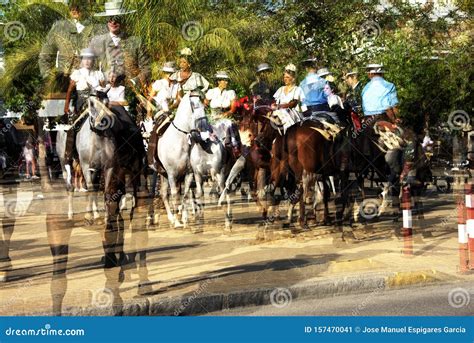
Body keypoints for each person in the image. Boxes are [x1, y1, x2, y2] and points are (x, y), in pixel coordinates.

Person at [39, 1, 100, 94]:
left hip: (90, 85)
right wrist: (49, 77)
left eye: (78, 5)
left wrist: (102, 80)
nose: (74, 9)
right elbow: (45, 56)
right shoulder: (59, 28)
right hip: (64, 84)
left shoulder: (97, 29)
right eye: (72, 5)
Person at [63, 48, 105, 168]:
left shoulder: (98, 73)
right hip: (81, 103)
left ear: (93, 61)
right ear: (82, 60)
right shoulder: (77, 73)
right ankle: (69, 153)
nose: (87, 61)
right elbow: (70, 91)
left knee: (111, 121)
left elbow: (103, 88)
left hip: (97, 102)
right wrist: (66, 105)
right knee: (75, 125)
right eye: (85, 59)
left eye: (90, 59)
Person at [169, 48, 211, 143]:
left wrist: (201, 98)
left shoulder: (196, 76)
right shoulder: (174, 76)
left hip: (193, 106)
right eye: (180, 62)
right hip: (176, 105)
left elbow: (202, 91)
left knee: (202, 121)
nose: (182, 65)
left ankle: (204, 139)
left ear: (189, 64)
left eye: (184, 62)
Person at [146, 61, 179, 169]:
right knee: (158, 129)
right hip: (161, 112)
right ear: (164, 73)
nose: (169, 75)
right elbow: (150, 99)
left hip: (173, 112)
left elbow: (179, 99)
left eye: (171, 73)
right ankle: (153, 157)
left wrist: (173, 106)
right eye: (167, 73)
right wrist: (149, 112)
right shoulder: (158, 83)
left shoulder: (177, 85)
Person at [204, 70, 241, 156]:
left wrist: (223, 115)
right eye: (224, 80)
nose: (226, 82)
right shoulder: (211, 92)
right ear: (218, 81)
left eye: (227, 80)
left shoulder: (230, 93)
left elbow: (232, 109)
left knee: (229, 124)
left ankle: (234, 146)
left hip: (225, 116)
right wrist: (208, 114)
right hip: (212, 116)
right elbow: (204, 104)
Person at [272, 64, 305, 132]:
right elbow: (275, 102)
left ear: (293, 78)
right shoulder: (281, 89)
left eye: (287, 77)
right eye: (284, 77)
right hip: (279, 111)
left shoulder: (297, 89)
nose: (285, 79)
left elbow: (293, 104)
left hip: (292, 112)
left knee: (284, 115)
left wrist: (279, 106)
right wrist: (273, 105)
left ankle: (286, 134)